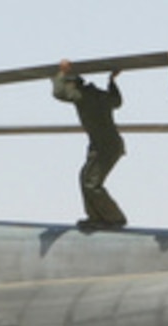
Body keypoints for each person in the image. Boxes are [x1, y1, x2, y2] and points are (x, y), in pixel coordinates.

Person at [52, 60, 127, 230]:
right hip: (106, 145)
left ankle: (114, 218)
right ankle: (98, 217)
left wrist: (60, 74)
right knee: (86, 179)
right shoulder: (98, 95)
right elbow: (116, 101)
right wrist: (112, 82)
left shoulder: (82, 96)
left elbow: (59, 93)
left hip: (104, 147)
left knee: (90, 183)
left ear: (73, 84)